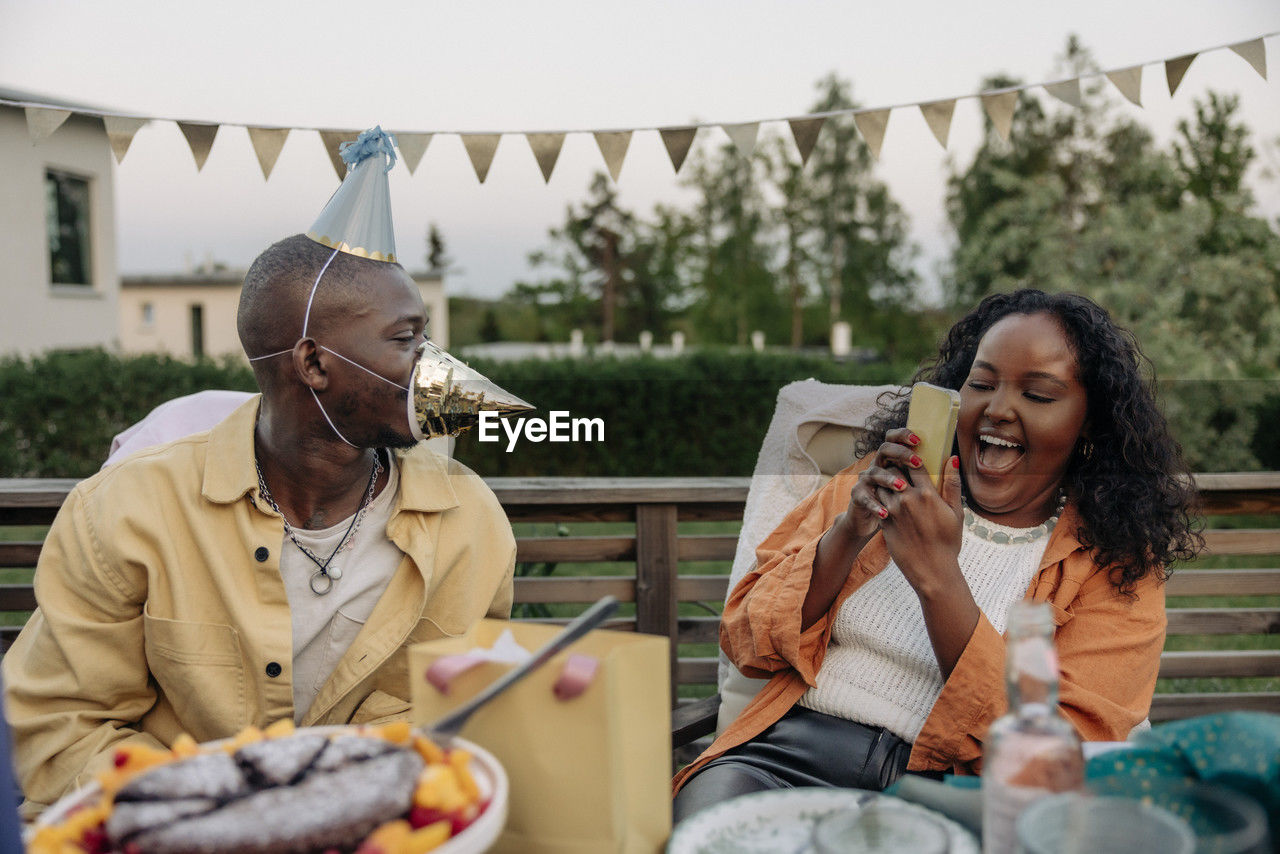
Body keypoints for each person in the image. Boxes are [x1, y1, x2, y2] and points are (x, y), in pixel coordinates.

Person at [2, 129, 517, 817]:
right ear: (312, 363)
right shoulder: (126, 510)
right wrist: (232, 819)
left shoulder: (470, 520)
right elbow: (59, 727)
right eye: (405, 339)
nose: (436, 365)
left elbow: (473, 720)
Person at [673, 288, 1202, 821]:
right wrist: (847, 532)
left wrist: (939, 580)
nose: (998, 409)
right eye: (981, 384)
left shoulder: (1113, 565)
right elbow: (746, 636)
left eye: (1038, 395)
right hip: (780, 762)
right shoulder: (876, 483)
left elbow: (1064, 754)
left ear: (1089, 421)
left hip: (949, 794)